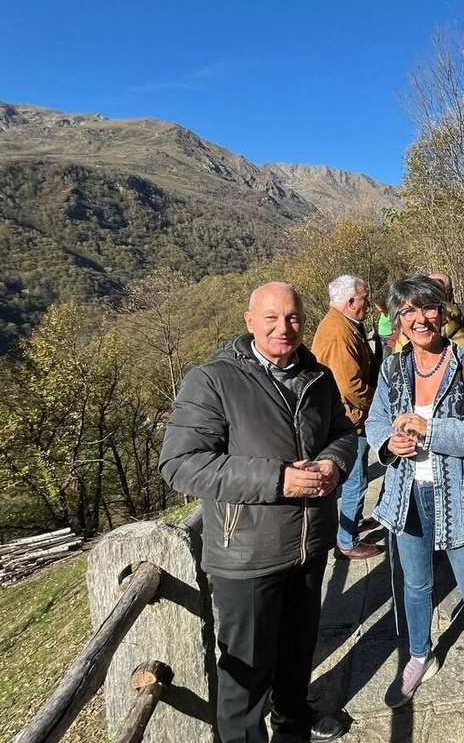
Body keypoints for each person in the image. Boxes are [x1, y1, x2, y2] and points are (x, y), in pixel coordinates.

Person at [159, 282, 356, 743]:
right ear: (249, 322)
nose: (283, 328)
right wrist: (276, 479)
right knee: (245, 679)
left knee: (296, 655)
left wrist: (335, 462)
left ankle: (294, 726)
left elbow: (343, 433)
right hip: (247, 555)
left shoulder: (318, 376)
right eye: (271, 318)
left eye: (292, 317)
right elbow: (180, 464)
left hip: (309, 545)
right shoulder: (213, 380)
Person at [365, 275, 464, 729]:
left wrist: (432, 430)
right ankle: (419, 655)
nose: (419, 319)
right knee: (415, 586)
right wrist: (388, 443)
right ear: (399, 319)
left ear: (442, 311)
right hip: (406, 495)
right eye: (408, 311)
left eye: (427, 308)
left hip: (463, 498)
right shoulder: (392, 369)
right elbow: (375, 421)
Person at [310, 274, 384, 560]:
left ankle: (351, 523)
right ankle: (346, 542)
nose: (368, 303)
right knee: (356, 480)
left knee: (356, 477)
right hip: (349, 419)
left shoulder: (343, 325)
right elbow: (349, 386)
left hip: (348, 416)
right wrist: (378, 404)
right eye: (365, 298)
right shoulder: (339, 332)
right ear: (351, 301)